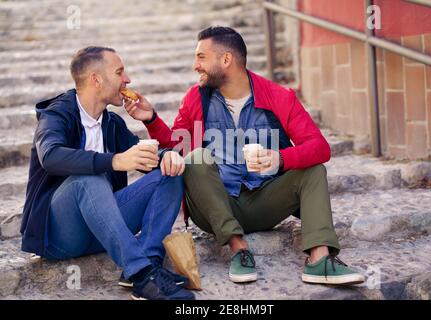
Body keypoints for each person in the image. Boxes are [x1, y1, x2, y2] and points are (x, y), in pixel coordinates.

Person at [124, 26, 365, 286]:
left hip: (264, 201)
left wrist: (280, 159)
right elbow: (179, 149)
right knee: (196, 157)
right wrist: (151, 119)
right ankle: (239, 249)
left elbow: (320, 148)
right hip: (212, 207)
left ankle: (319, 261)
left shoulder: (278, 96)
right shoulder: (197, 98)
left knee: (314, 169)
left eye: (201, 57)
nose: (195, 65)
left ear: (226, 60)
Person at [21, 46, 195, 300]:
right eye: (120, 72)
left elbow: (141, 156)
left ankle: (147, 265)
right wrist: (114, 161)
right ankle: (141, 273)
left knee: (171, 172)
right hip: (59, 235)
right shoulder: (56, 115)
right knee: (88, 178)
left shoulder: (112, 123)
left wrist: (165, 154)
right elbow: (51, 156)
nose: (128, 80)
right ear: (96, 79)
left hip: (103, 229)